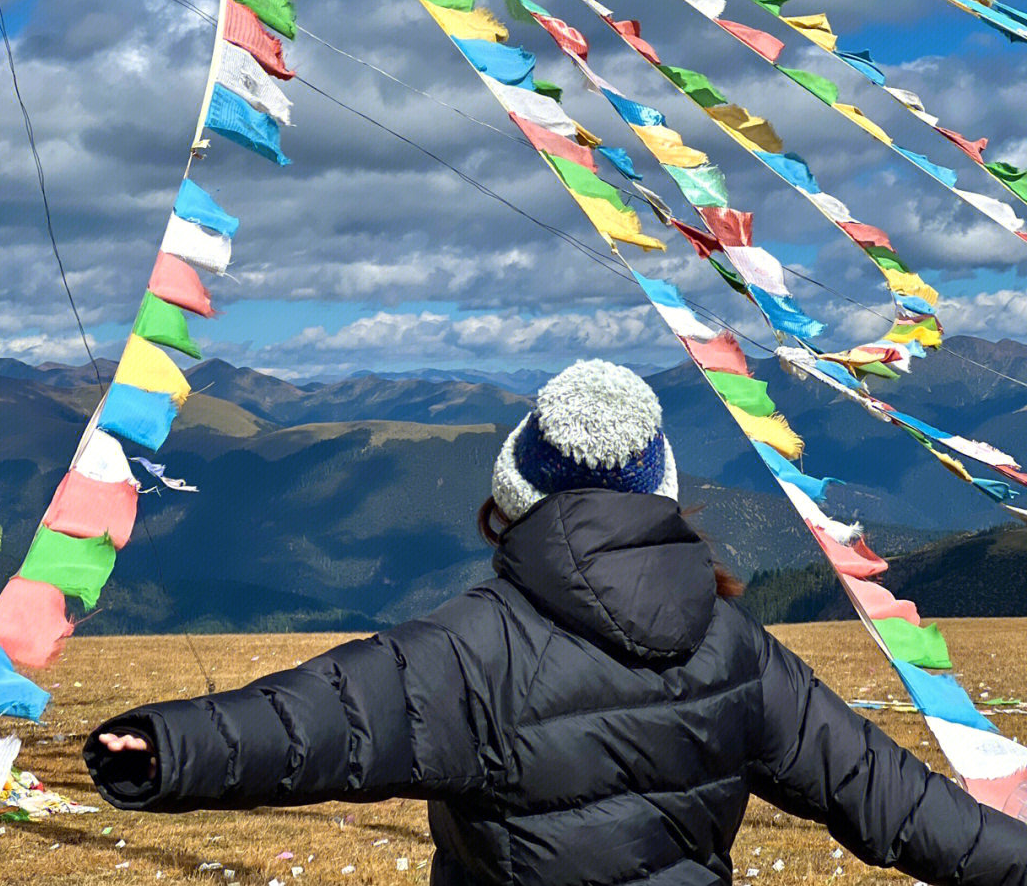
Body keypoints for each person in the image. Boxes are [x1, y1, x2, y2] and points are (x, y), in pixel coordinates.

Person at [84, 360, 1027, 886]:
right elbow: (893, 800)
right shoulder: (736, 643)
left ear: (516, 495)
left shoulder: (470, 649)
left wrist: (164, 746)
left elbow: (315, 720)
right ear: (662, 488)